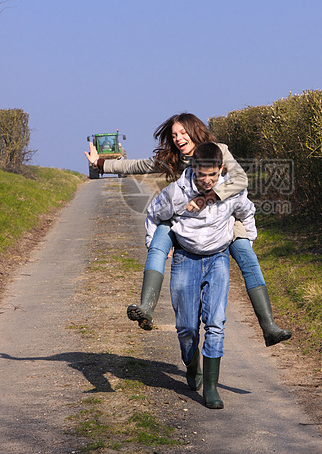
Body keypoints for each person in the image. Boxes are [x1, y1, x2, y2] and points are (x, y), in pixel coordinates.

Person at [84, 113, 291, 347]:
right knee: (158, 241)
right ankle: (146, 308)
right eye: (174, 135)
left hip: (224, 218)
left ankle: (269, 327)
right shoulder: (172, 159)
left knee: (248, 257)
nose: (179, 138)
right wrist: (100, 163)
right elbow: (136, 165)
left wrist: (210, 198)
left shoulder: (218, 150)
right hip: (186, 220)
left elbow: (241, 180)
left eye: (183, 133)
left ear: (195, 131)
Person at [146, 142, 257, 408]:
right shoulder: (176, 193)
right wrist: (156, 244)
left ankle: (210, 388)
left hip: (218, 258)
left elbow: (247, 214)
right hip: (186, 259)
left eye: (213, 175)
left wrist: (246, 243)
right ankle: (191, 362)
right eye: (201, 175)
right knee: (186, 327)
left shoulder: (232, 192)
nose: (207, 181)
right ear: (192, 169)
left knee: (215, 323)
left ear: (221, 169)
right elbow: (153, 214)